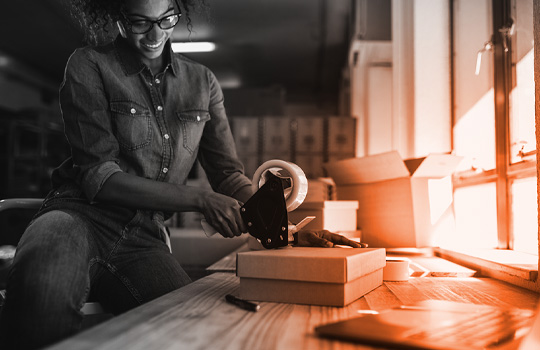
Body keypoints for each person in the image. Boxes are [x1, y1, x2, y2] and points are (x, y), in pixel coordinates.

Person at [0, 0, 365, 348]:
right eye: (139, 22)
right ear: (117, 16)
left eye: (166, 19)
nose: (154, 34)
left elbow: (228, 175)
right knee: (39, 297)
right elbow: (100, 177)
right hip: (76, 216)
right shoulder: (89, 65)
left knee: (194, 326)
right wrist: (200, 199)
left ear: (179, 13)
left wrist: (288, 230)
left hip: (143, 236)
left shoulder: (202, 83)